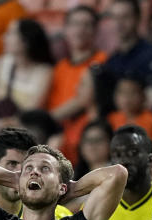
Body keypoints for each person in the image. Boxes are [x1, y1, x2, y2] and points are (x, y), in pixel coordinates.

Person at [47, 7, 106, 165]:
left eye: (87, 25)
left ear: (95, 31)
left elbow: (84, 100)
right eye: (75, 24)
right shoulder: (59, 68)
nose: (80, 30)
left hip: (88, 144)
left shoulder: (103, 61)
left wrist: (44, 119)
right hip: (58, 139)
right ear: (65, 30)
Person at [96, 0, 152, 116]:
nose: (119, 23)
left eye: (125, 17)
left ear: (137, 19)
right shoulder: (110, 61)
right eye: (115, 18)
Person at [0, 19, 54, 113]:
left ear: (26, 41)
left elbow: (32, 111)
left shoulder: (44, 72)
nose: (4, 38)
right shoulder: (2, 62)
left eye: (10, 33)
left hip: (22, 125)